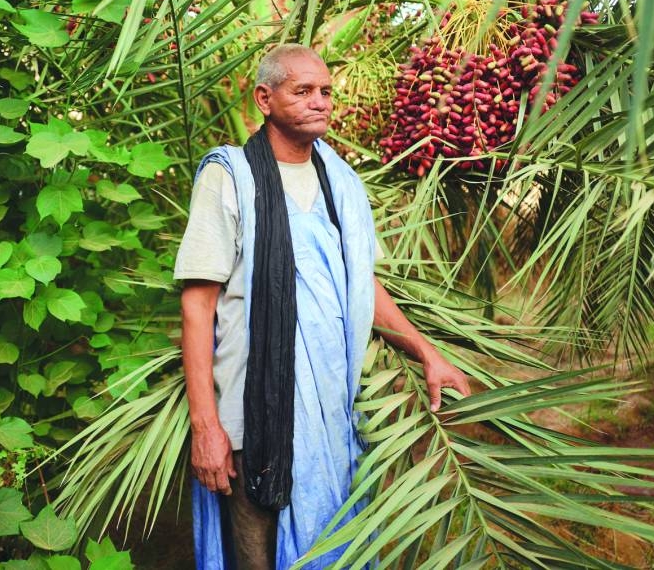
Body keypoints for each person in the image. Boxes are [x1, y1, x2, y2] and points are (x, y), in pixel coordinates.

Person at [174, 44, 471, 569]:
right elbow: (198, 307)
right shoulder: (231, 177)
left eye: (327, 92)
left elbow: (361, 288)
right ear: (265, 98)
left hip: (331, 413)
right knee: (253, 559)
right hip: (253, 412)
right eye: (303, 91)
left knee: (336, 550)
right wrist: (206, 427)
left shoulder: (341, 185)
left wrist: (426, 352)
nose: (320, 102)